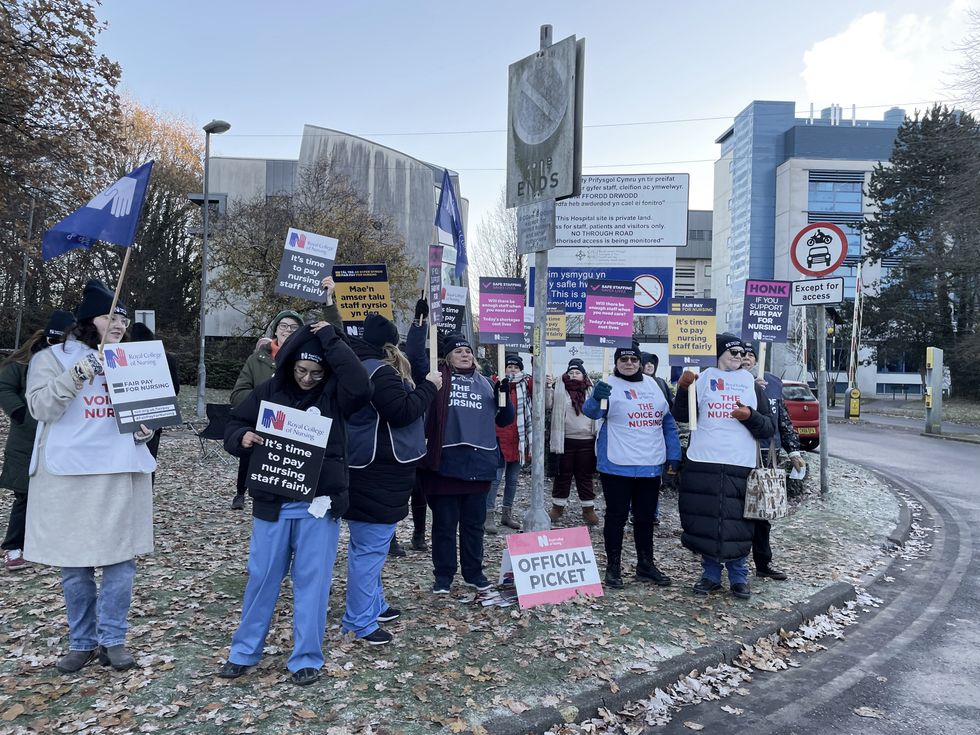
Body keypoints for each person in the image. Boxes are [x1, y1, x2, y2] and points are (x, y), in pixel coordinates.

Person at [218, 321, 370, 686]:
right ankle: (244, 651)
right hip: (273, 501)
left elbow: (361, 385)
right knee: (262, 578)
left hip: (318, 503)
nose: (306, 378)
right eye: (301, 370)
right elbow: (233, 423)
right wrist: (242, 437)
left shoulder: (335, 394)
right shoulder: (270, 390)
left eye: (316, 373)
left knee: (312, 582)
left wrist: (330, 337)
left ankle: (305, 657)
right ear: (289, 366)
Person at [24, 281, 156, 673]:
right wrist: (77, 374)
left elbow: (144, 412)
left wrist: (144, 428)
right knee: (75, 563)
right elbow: (40, 407)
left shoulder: (132, 359)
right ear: (88, 320)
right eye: (109, 316)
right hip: (70, 475)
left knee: (121, 562)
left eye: (123, 317)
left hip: (119, 470)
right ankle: (81, 642)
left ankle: (113, 639)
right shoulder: (51, 359)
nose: (118, 324)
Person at [342, 313, 441, 645]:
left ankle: (374, 604)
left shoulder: (359, 364)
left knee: (369, 546)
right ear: (389, 345)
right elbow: (401, 412)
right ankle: (359, 621)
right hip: (378, 471)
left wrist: (419, 327)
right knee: (369, 549)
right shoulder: (379, 372)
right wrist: (430, 386)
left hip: (369, 469)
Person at [671, 334, 775, 600]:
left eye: (742, 353)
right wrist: (684, 390)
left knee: (738, 522)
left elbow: (768, 427)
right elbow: (682, 416)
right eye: (733, 352)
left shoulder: (752, 384)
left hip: (739, 463)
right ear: (717, 354)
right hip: (704, 460)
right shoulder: (702, 378)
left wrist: (749, 416)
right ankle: (710, 575)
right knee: (706, 520)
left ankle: (739, 577)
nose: (739, 357)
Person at [418, 333, 514, 594]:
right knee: (445, 525)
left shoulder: (486, 384)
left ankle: (473, 572)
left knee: (473, 526)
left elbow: (504, 419)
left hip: (478, 464)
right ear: (447, 356)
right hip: (445, 464)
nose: (465, 354)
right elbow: (417, 360)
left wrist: (505, 396)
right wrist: (419, 327)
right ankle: (444, 575)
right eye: (459, 351)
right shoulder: (437, 381)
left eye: (468, 351)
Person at [583, 342, 680, 589]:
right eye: (623, 359)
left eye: (633, 359)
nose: (629, 363)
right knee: (616, 517)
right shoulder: (607, 384)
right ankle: (613, 567)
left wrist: (674, 455)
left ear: (640, 361)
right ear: (616, 363)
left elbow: (667, 422)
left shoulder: (654, 385)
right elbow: (592, 413)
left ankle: (645, 564)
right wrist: (596, 397)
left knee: (646, 518)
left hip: (649, 463)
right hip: (617, 464)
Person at [1, 310, 74, 571]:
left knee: (57, 495)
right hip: (27, 440)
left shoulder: (74, 360)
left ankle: (46, 543)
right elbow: (4, 387)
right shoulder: (25, 362)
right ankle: (13, 547)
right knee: (25, 495)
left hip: (62, 440)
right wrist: (21, 413)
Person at [741, 341, 805, 581]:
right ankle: (735, 562)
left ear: (757, 360)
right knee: (738, 511)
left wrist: (794, 451)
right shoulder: (731, 382)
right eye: (740, 355)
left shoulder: (774, 383)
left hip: (769, 455)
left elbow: (784, 419)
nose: (746, 359)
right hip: (740, 454)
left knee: (762, 513)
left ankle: (763, 563)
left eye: (750, 355)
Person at [229, 309, 304, 510]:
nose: (288, 330)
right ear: (275, 330)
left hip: (292, 429)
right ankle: (241, 493)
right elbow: (238, 394)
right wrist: (263, 401)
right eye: (284, 326)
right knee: (250, 460)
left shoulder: (304, 359)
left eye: (294, 327)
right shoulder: (256, 360)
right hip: (261, 423)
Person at [545, 358, 599, 527]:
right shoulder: (559, 388)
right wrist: (547, 387)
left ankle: (588, 508)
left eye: (577, 372)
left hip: (587, 441)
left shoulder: (591, 390)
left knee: (585, 476)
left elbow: (599, 410)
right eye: (571, 372)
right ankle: (558, 507)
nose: (574, 375)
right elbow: (547, 404)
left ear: (583, 375)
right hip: (564, 440)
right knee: (563, 475)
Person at [486, 353, 530, 533]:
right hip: (497, 438)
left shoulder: (526, 386)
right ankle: (488, 515)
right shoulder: (493, 384)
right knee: (494, 480)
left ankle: (507, 513)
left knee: (512, 480)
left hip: (518, 440)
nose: (512, 370)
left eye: (516, 367)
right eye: (509, 367)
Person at [128, 322, 180, 466]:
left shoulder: (128, 357)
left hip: (130, 414)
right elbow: (175, 388)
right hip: (156, 414)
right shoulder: (165, 357)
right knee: (149, 458)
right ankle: (148, 485)